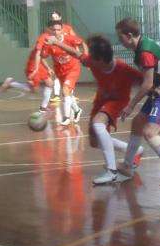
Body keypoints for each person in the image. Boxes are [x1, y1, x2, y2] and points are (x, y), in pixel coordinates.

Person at [60, 35, 146, 184]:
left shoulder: (123, 69)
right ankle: (133, 150)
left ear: (99, 59)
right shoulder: (94, 62)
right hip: (101, 101)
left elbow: (146, 81)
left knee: (98, 123)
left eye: (92, 56)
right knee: (94, 141)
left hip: (118, 101)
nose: (88, 58)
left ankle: (111, 171)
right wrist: (57, 42)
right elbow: (75, 53)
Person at [115, 18, 160, 188]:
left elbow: (147, 84)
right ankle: (127, 166)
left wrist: (130, 105)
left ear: (129, 35)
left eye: (121, 38)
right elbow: (153, 76)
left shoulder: (145, 51)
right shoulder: (143, 46)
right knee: (137, 123)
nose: (120, 42)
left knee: (149, 132)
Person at [39, 20, 86, 125]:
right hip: (60, 71)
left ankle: (66, 117)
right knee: (67, 93)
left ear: (62, 30)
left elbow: (82, 43)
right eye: (54, 30)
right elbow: (42, 57)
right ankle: (77, 110)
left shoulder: (69, 39)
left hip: (73, 68)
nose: (56, 32)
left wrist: (86, 57)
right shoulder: (48, 44)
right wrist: (47, 67)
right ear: (50, 30)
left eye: (58, 29)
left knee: (65, 90)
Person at [1, 46, 55, 113]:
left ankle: (43, 107)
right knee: (34, 90)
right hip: (33, 68)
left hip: (39, 67)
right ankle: (11, 84)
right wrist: (35, 71)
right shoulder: (39, 47)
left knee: (50, 83)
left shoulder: (46, 48)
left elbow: (42, 58)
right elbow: (38, 57)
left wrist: (48, 68)